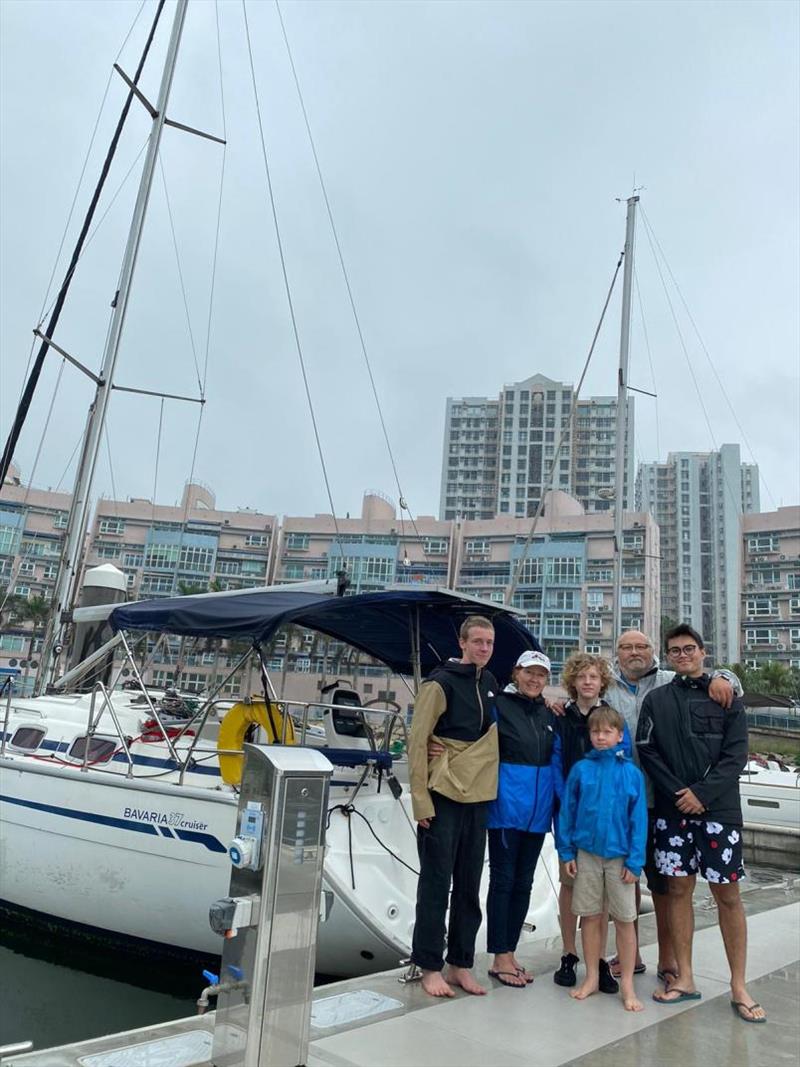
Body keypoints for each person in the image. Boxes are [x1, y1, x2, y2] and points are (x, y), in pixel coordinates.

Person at [636, 624, 766, 1023]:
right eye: (674, 650)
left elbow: (736, 754)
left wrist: (703, 795)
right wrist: (681, 794)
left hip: (719, 813)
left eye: (688, 648)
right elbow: (647, 750)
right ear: (668, 657)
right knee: (677, 891)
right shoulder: (656, 699)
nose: (682, 655)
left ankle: (739, 985)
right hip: (673, 812)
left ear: (703, 652)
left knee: (728, 896)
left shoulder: (727, 697)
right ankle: (685, 977)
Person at [602, 630, 741, 984]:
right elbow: (575, 697)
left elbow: (718, 682)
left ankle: (668, 960)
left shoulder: (670, 679)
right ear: (616, 652)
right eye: (626, 647)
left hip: (663, 801)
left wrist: (726, 677)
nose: (634, 652)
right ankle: (629, 954)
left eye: (642, 647)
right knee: (625, 879)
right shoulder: (604, 685)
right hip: (623, 802)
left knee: (665, 885)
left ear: (653, 653)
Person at [407, 615, 499, 998]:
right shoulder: (439, 684)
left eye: (489, 643)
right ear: (462, 643)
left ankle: (460, 963)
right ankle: (429, 965)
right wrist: (420, 802)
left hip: (477, 797)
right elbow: (417, 743)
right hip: (442, 797)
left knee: (469, 885)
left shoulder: (490, 684)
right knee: (435, 884)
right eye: (477, 641)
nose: (483, 648)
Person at [558, 705, 647, 1012]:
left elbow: (639, 821)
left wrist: (636, 861)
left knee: (624, 919)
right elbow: (567, 811)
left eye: (607, 731)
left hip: (621, 858)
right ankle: (592, 976)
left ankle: (627, 985)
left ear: (619, 735)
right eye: (595, 731)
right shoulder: (581, 770)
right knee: (591, 916)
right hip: (587, 854)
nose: (600, 736)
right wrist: (566, 851)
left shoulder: (631, 774)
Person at [552, 652, 630, 993]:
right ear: (573, 681)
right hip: (571, 815)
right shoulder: (561, 717)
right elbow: (555, 762)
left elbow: (621, 763)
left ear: (602, 682)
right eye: (581, 676)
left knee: (601, 897)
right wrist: (565, 801)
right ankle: (570, 953)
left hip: (606, 820)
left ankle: (597, 958)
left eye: (593, 677)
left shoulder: (609, 720)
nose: (587, 682)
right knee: (570, 886)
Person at [484, 650, 562, 988]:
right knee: (503, 881)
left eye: (541, 675)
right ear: (516, 673)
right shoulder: (498, 705)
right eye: (529, 673)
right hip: (505, 810)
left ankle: (510, 953)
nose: (534, 679)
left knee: (524, 884)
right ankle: (499, 956)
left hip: (537, 813)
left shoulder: (548, 712)